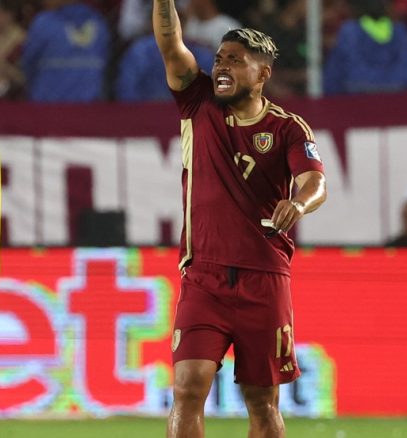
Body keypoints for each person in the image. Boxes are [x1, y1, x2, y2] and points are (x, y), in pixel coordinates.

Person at [152, 2, 328, 437]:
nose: (222, 67)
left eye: (235, 60)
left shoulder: (289, 129)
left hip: (263, 279)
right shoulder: (198, 102)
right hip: (203, 276)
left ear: (262, 74)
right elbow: (171, 44)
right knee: (187, 388)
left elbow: (315, 182)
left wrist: (300, 204)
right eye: (219, 59)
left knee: (262, 403)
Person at [322, 0, 407, 95]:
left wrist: (330, 98)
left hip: (356, 96)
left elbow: (334, 74)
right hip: (395, 94)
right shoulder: (400, 31)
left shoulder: (348, 32)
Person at [21, 0, 110, 102]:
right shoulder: (100, 25)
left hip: (48, 107)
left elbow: (29, 65)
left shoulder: (43, 24)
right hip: (89, 108)